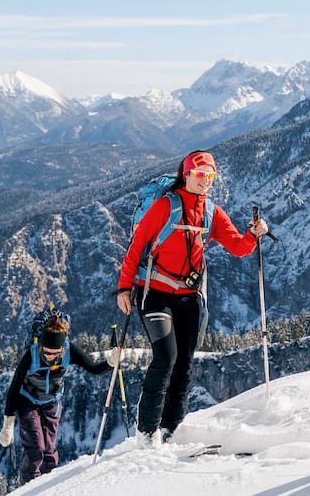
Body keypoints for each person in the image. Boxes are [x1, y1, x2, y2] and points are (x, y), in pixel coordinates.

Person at [116, 149, 268, 446]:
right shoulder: (164, 207)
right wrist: (124, 288)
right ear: (185, 175)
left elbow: (238, 246)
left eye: (210, 176)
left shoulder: (210, 211)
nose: (205, 181)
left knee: (184, 362)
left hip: (189, 297)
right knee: (165, 357)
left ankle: (171, 427)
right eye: (199, 175)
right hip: (155, 293)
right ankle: (146, 431)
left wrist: (253, 234)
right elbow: (137, 246)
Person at [0, 313, 119, 483]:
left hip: (52, 402)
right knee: (35, 451)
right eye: (46, 352)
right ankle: (28, 489)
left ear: (62, 349)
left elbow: (93, 368)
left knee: (49, 451)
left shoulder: (69, 351)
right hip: (27, 402)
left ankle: (47, 487)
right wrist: (8, 424)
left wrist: (110, 362)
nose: (50, 357)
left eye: (55, 354)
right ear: (41, 346)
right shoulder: (30, 356)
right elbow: (14, 388)